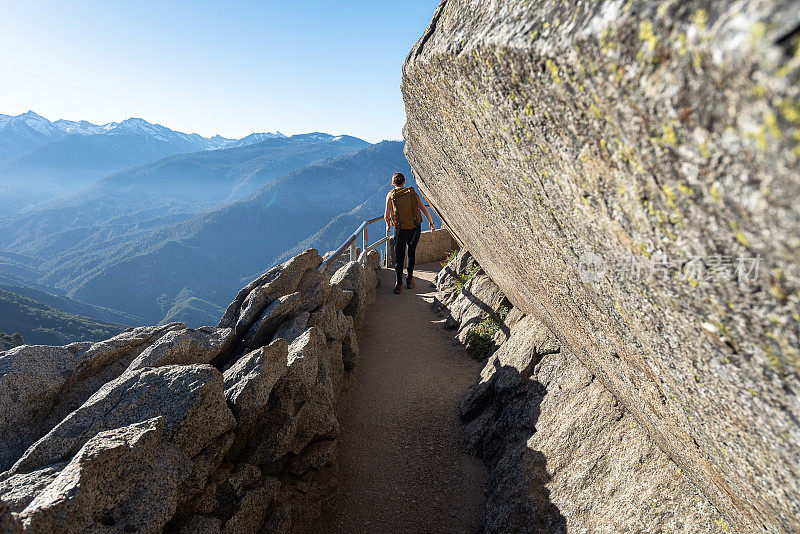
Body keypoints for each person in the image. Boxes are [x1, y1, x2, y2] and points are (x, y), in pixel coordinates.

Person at [385, 172, 436, 294]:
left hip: (400, 229)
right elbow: (423, 209)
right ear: (404, 182)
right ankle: (410, 278)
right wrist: (431, 222)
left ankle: (398, 284)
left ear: (393, 183)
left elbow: (386, 213)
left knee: (399, 255)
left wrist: (388, 225)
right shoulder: (411, 193)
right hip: (414, 228)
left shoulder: (391, 195)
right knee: (411, 253)